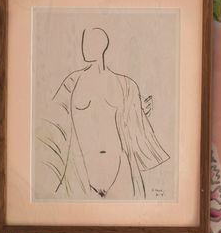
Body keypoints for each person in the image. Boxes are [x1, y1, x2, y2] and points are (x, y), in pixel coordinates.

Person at [36, 26, 169, 200]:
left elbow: (133, 124)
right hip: (81, 172)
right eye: (84, 42)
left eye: (90, 42)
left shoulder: (126, 85)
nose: (85, 47)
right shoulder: (72, 83)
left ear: (103, 45)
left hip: (120, 169)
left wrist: (139, 111)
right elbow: (51, 124)